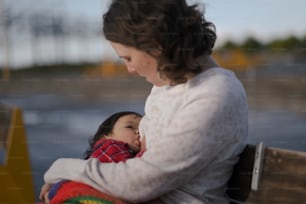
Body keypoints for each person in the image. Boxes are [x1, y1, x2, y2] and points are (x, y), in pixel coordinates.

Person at [40, 0, 248, 203]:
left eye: (128, 58)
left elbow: (138, 183)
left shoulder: (214, 93)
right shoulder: (168, 83)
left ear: (154, 44)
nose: (130, 69)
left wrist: (62, 168)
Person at [40, 111, 143, 203]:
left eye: (143, 128)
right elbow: (125, 178)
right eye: (130, 127)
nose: (139, 131)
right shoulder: (111, 146)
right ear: (106, 136)